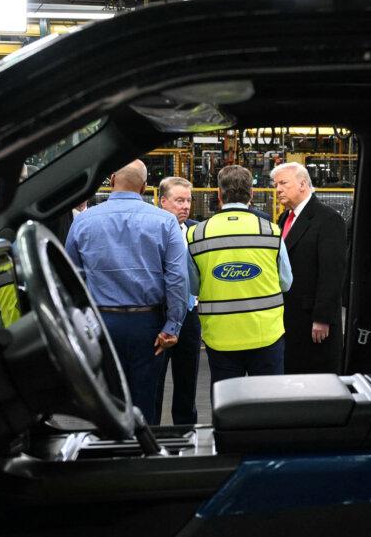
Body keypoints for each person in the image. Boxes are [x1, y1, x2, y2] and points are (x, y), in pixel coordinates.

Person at [65, 160, 188, 426]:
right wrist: (173, 325)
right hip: (149, 325)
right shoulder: (165, 222)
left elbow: (70, 279)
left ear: (111, 180)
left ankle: (114, 457)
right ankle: (146, 455)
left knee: (108, 401)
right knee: (145, 400)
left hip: (102, 325)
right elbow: (177, 278)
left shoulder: (83, 221)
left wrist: (82, 323)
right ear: (144, 187)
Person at [188, 165, 292, 385]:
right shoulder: (270, 231)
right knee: (269, 403)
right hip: (266, 334)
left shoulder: (197, 234)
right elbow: (286, 282)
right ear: (251, 194)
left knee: (228, 405)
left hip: (220, 337)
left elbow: (193, 287)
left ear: (218, 194)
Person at [272, 162, 347, 374]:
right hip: (287, 317)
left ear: (303, 184)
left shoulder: (328, 220)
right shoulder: (284, 218)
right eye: (276, 184)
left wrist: (322, 317)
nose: (278, 189)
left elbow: (332, 273)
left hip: (312, 321)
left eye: (283, 183)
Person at [154, 177, 202, 432]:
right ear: (163, 202)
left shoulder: (196, 231)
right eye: (179, 200)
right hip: (159, 317)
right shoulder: (152, 230)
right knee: (155, 383)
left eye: (188, 200)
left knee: (187, 382)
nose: (185, 206)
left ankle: (186, 433)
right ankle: (152, 434)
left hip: (190, 316)